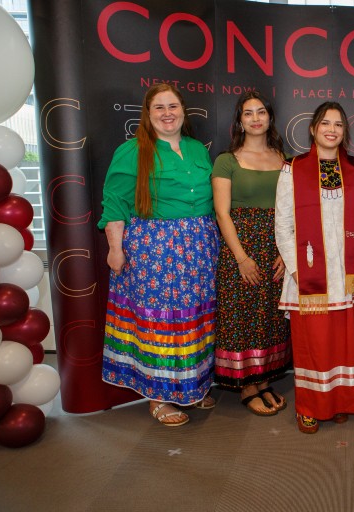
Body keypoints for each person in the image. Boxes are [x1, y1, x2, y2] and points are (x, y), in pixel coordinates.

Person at [99, 83, 218, 427]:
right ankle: (159, 396)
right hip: (155, 250)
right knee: (162, 322)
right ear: (148, 115)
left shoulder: (197, 149)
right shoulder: (133, 150)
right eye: (159, 108)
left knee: (195, 320)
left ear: (183, 110)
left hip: (199, 247)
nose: (168, 113)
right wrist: (115, 249)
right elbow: (115, 204)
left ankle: (190, 388)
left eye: (173, 106)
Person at [275, 101, 354, 434]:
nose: (331, 130)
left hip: (348, 273)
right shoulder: (293, 168)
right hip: (308, 272)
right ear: (313, 129)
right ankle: (309, 406)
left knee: (345, 339)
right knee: (313, 343)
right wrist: (295, 269)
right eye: (325, 124)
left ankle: (340, 401)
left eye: (338, 124)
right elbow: (284, 224)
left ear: (345, 132)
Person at [211, 91, 291, 416]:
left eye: (261, 112)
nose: (255, 118)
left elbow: (292, 210)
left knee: (270, 314)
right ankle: (246, 385)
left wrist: (286, 253)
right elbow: (221, 213)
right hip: (239, 246)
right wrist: (241, 258)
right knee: (241, 314)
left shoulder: (283, 158)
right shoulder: (226, 160)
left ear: (269, 118)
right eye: (248, 113)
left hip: (275, 245)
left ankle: (262, 378)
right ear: (240, 120)